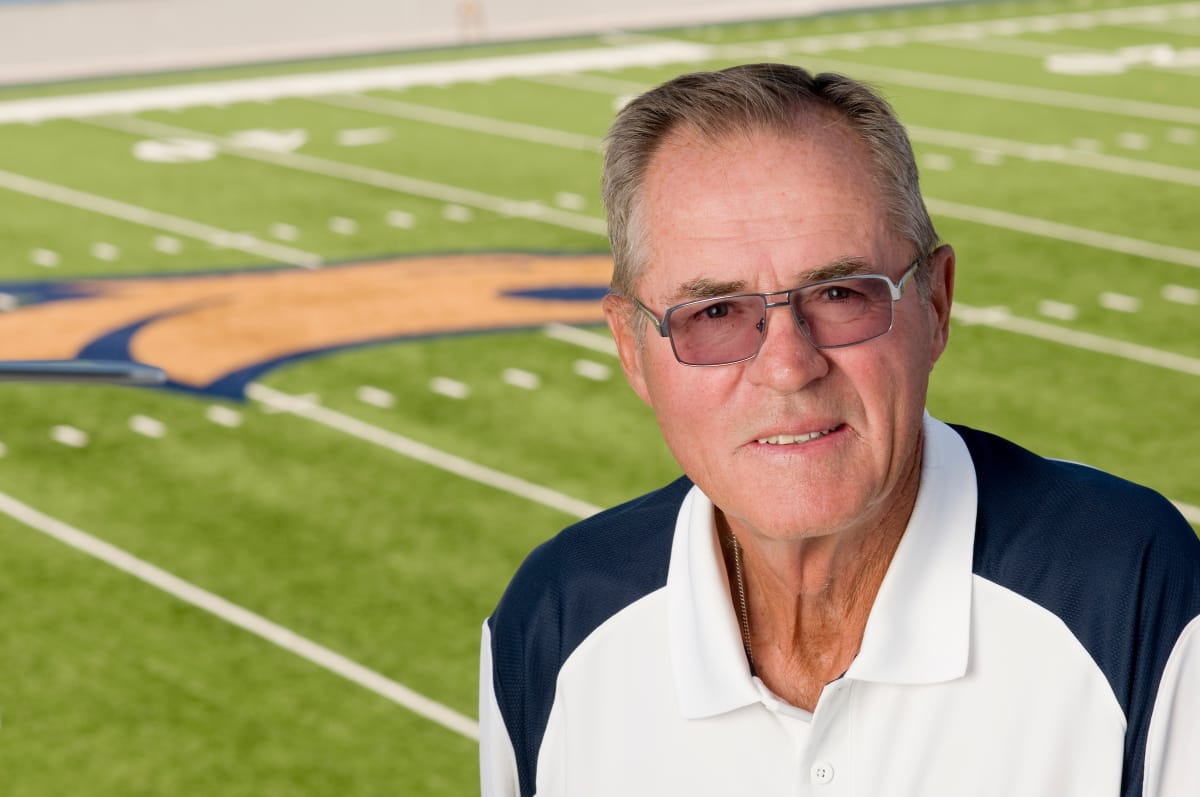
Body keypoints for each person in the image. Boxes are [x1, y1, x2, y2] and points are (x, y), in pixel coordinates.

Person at [479, 63, 1199, 796]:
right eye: (716, 313)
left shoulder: (1128, 587)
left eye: (839, 293)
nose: (788, 366)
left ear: (937, 304)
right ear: (633, 349)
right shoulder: (556, 620)